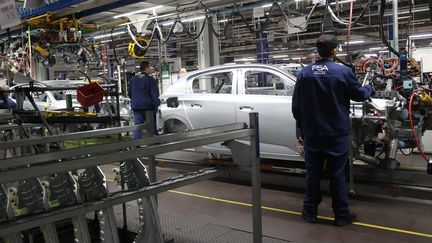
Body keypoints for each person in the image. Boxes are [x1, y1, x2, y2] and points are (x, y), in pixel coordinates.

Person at [292, 34, 373, 226]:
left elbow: (296, 107)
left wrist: (304, 129)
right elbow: (359, 95)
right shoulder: (342, 72)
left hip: (312, 134)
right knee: (337, 174)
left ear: (317, 51)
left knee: (313, 174)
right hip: (336, 133)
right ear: (335, 50)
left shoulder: (305, 74)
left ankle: (310, 212)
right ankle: (341, 215)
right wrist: (370, 88)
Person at [129, 61, 160, 138]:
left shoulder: (134, 79)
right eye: (150, 67)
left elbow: (130, 93)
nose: (151, 69)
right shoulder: (150, 80)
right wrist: (157, 105)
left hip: (136, 106)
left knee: (138, 126)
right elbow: (154, 95)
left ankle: (136, 144)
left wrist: (135, 101)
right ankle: (153, 143)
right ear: (146, 68)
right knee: (151, 126)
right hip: (148, 107)